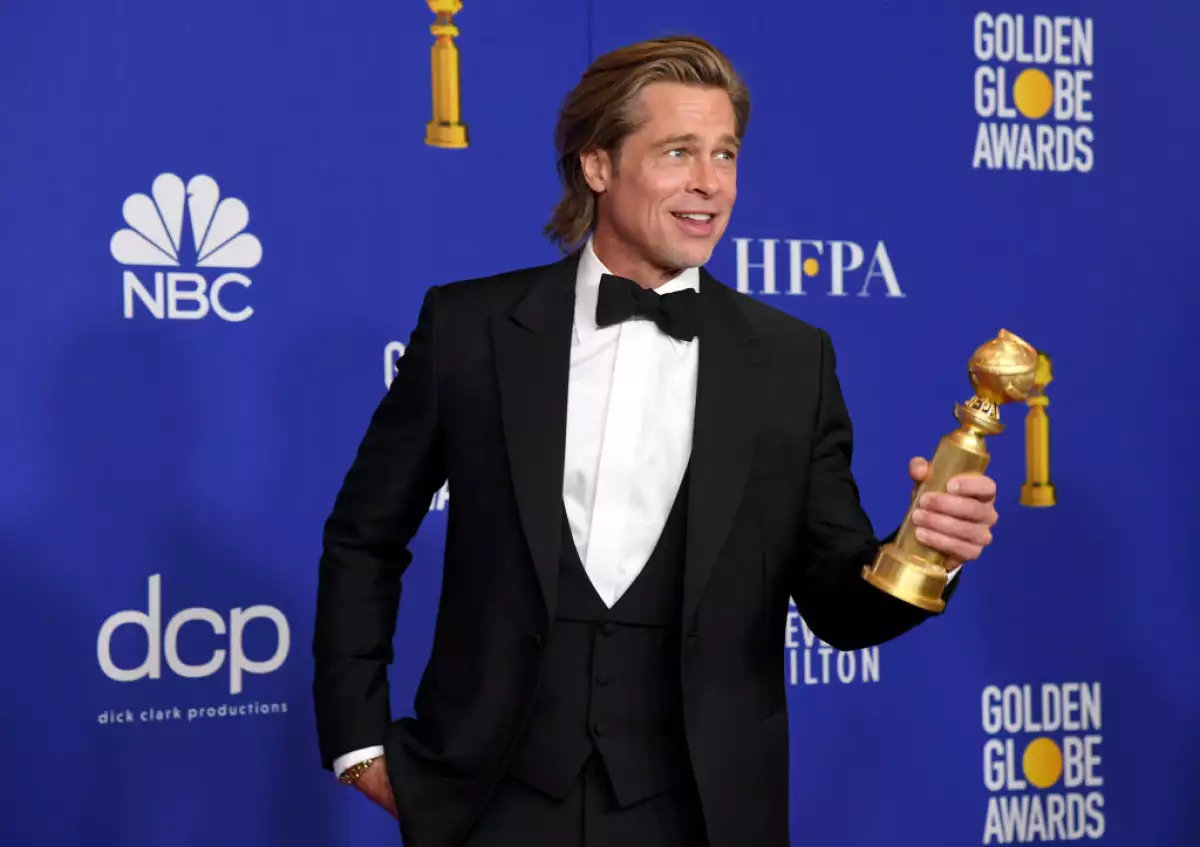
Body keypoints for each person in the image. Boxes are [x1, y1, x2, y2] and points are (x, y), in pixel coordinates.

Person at [312, 34, 999, 847]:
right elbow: (365, 535)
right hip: (487, 801)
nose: (710, 184)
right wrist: (360, 745)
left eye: (726, 155)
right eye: (679, 153)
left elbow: (835, 604)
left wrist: (923, 553)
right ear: (598, 165)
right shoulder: (470, 329)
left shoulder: (790, 361)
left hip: (701, 811)